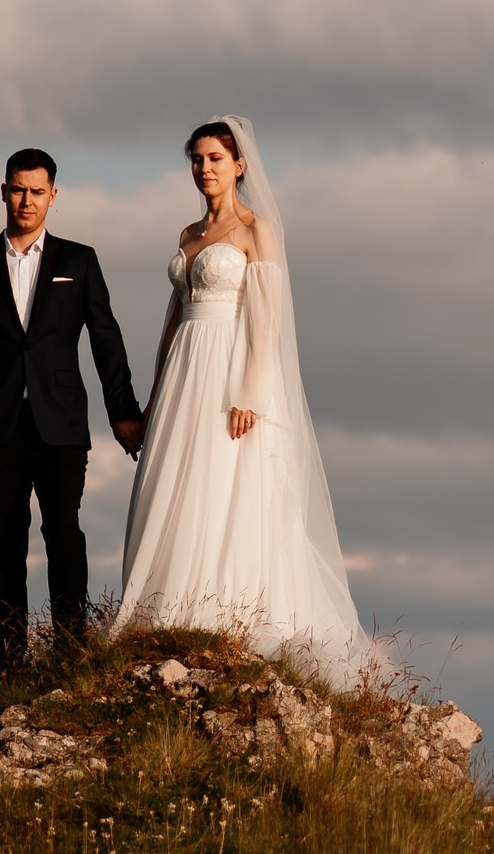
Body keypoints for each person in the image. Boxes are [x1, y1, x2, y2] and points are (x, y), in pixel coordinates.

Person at [113, 115, 372, 684]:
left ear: (239, 166)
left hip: (229, 368)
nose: (205, 169)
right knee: (174, 479)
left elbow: (267, 322)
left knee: (223, 481)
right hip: (185, 366)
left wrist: (250, 392)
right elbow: (171, 323)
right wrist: (154, 400)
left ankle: (220, 610)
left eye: (215, 158)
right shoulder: (187, 235)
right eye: (197, 159)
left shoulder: (257, 230)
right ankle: (164, 612)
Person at [0, 147, 143, 672]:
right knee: (3, 543)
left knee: (63, 532)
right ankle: (11, 662)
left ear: (53, 195)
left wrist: (123, 410)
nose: (26, 200)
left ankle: (70, 652)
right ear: (3, 191)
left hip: (61, 425)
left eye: (36, 191)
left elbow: (106, 339)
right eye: (17, 189)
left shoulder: (79, 260)